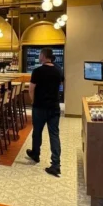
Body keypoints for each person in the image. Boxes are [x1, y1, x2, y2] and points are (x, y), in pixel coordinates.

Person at [26, 48, 64, 176]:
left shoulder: (37, 71)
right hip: (54, 107)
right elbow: (62, 85)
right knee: (54, 134)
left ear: (43, 56)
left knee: (37, 132)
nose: (39, 56)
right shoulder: (58, 70)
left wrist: (33, 101)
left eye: (40, 55)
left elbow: (31, 89)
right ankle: (56, 164)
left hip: (40, 107)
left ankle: (35, 154)